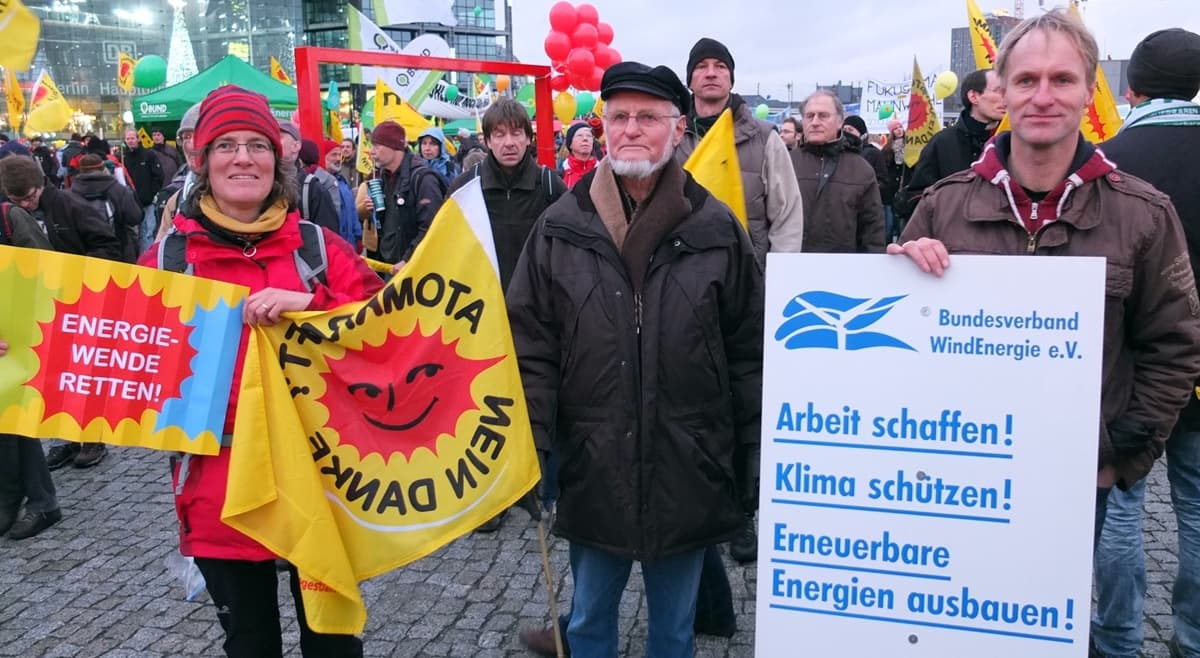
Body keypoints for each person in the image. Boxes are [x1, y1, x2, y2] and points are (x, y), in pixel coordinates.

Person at [887, 20, 1200, 646]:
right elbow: (898, 342)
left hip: (1075, 478)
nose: (1043, 95)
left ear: (1092, 92)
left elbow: (1175, 344)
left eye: (1062, 79)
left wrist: (1124, 455)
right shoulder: (943, 204)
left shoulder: (1143, 213)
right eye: (1026, 79)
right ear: (1000, 88)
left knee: (1038, 624)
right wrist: (898, 270)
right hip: (957, 473)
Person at [509, 60, 762, 658]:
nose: (630, 129)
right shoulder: (560, 226)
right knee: (590, 621)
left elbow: (748, 353)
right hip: (594, 462)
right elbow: (531, 346)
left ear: (678, 130)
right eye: (618, 116)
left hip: (689, 464)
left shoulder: (717, 226)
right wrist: (533, 445)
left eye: (647, 117)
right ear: (601, 127)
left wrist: (751, 456)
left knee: (674, 632)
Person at [139, 85, 384, 657]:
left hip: (323, 484)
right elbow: (111, 347)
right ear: (201, 161)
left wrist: (313, 306)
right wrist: (27, 347)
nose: (243, 157)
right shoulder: (168, 261)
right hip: (219, 494)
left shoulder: (320, 250)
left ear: (279, 161)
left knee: (334, 644)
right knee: (249, 645)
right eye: (225, 145)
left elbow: (388, 331)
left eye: (257, 145)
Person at [1090, 28, 1200, 658]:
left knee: (1122, 509)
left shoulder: (1109, 162)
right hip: (1193, 364)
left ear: (1130, 87)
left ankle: (1116, 640)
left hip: (1126, 372)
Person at [447, 98, 567, 534]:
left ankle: (542, 491)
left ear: (529, 138)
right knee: (486, 407)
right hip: (483, 317)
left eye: (517, 133)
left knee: (542, 403)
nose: (509, 142)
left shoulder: (552, 185)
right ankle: (491, 497)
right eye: (500, 134)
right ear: (487, 139)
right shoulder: (468, 184)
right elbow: (446, 243)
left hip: (540, 316)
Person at [0, 153, 123, 470]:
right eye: (18, 200)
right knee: (57, 373)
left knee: (84, 372)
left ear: (40, 184)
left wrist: (79, 275)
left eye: (29, 197)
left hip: (80, 298)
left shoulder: (70, 204)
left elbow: (109, 244)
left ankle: (93, 437)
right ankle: (66, 438)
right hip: (45, 306)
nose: (26, 205)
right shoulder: (16, 213)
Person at [678, 37, 804, 270]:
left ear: (731, 79)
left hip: (746, 279)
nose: (711, 73)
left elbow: (787, 218)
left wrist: (776, 280)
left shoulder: (766, 138)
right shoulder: (672, 138)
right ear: (690, 81)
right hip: (683, 279)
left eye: (720, 66)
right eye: (701, 66)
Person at [0, 176, 63, 541]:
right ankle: (22, 497)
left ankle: (38, 501)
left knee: (13, 419)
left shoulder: (11, 217)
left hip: (17, 337)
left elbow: (47, 273)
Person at [898, 68, 1006, 215]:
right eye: (998, 91)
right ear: (974, 96)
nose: (1006, 98)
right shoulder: (942, 143)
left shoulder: (1011, 142)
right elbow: (917, 197)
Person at [793, 89, 885, 253]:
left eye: (823, 116)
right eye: (809, 116)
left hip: (845, 270)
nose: (815, 122)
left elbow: (872, 230)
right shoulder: (786, 163)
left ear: (839, 121)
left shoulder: (861, 169)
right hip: (792, 267)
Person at [355, 120, 445, 269]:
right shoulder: (382, 178)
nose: (372, 152)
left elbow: (431, 227)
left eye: (377, 146)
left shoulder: (423, 179)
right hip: (389, 265)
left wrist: (407, 260)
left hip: (415, 269)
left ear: (394, 147)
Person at [69, 154, 143, 262]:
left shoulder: (72, 193)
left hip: (84, 256)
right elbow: (135, 217)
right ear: (103, 168)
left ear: (80, 170)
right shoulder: (117, 189)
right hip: (118, 251)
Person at [278, 121, 339, 233]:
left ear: (296, 146)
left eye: (279, 137)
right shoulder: (259, 183)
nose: (273, 142)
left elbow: (328, 238)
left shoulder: (312, 188)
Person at [154, 102, 203, 243]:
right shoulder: (176, 200)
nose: (191, 145)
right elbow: (158, 252)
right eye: (186, 137)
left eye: (198, 135)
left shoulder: (241, 193)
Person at [121, 128, 165, 253]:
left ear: (138, 139)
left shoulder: (149, 155)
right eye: (128, 138)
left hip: (147, 202)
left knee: (147, 233)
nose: (130, 141)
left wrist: (151, 194)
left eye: (132, 138)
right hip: (130, 204)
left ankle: (146, 261)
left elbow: (159, 176)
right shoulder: (122, 157)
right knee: (133, 235)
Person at [879, 119, 909, 242]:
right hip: (890, 190)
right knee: (889, 225)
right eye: (896, 128)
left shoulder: (910, 146)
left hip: (905, 188)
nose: (899, 130)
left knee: (902, 223)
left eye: (900, 127)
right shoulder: (887, 149)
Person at [560, 122, 599, 188]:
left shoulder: (602, 171)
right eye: (580, 135)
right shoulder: (561, 172)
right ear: (570, 144)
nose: (585, 139)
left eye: (589, 136)